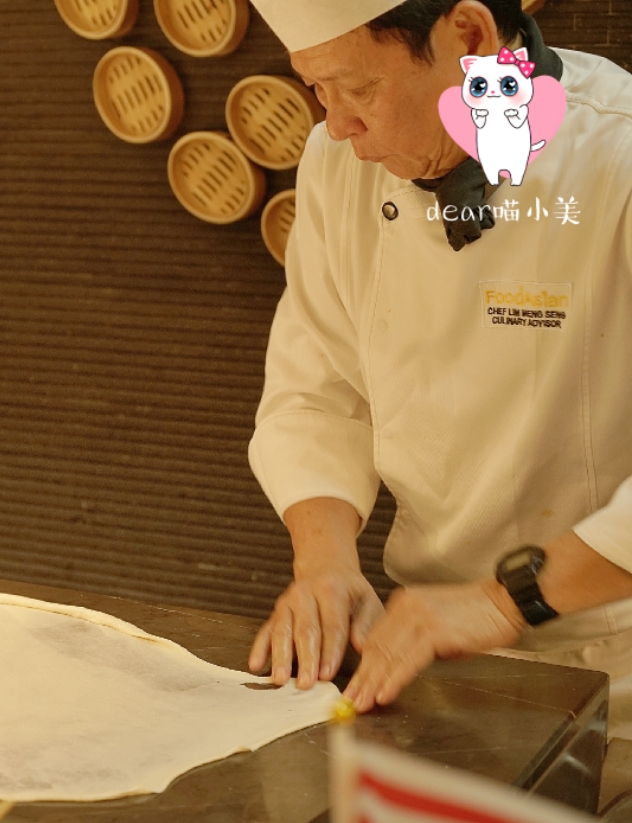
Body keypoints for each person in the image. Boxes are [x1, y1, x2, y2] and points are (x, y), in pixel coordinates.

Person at [242, 0, 632, 732]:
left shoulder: (619, 155)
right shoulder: (336, 160)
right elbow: (317, 390)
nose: (337, 127)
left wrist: (499, 601)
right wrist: (324, 564)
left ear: (473, 37)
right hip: (430, 651)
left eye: (360, 90)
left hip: (616, 659)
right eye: (318, 91)